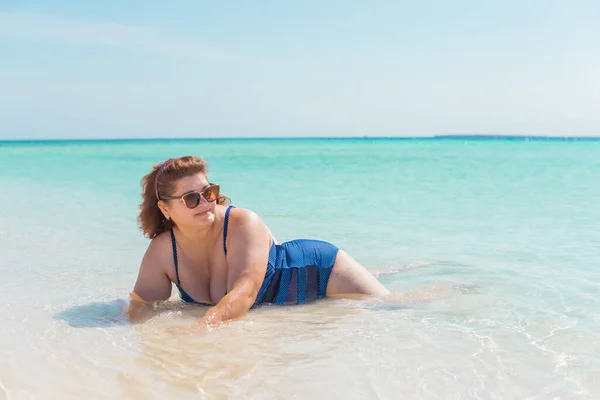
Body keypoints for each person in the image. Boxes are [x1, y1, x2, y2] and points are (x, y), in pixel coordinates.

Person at [124, 155, 390, 331]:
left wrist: (200, 329)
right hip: (289, 301)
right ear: (165, 208)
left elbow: (245, 292)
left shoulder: (242, 222)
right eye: (192, 198)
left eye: (209, 192)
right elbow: (144, 305)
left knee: (398, 309)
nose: (205, 202)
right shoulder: (163, 251)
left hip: (321, 274)